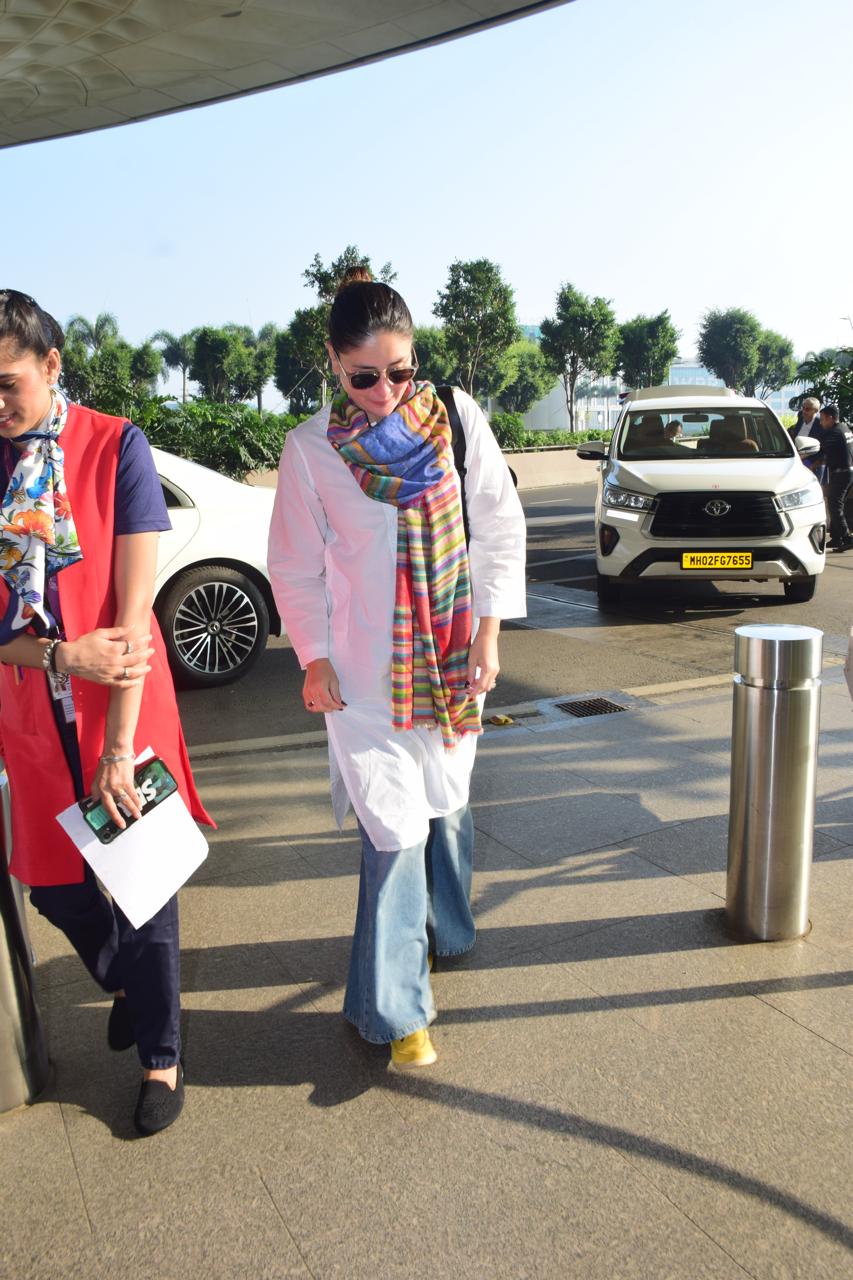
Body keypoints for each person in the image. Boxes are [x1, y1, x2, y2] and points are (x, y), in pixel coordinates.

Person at [268, 270, 526, 1070]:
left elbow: (496, 523)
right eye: (364, 377)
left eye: (400, 371)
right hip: (362, 677)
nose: (384, 392)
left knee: (445, 798)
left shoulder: (456, 420)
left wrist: (488, 633)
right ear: (333, 365)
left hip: (450, 659)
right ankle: (396, 1010)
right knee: (396, 825)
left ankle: (449, 927)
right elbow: (295, 568)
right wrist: (311, 657)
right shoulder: (312, 451)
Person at [0, 289, 212, 1135]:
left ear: (52, 367)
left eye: (7, 383)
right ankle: (123, 981)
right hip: (31, 707)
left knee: (143, 891)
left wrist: (118, 751)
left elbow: (130, 618)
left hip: (122, 706)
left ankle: (162, 1057)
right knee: (51, 884)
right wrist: (57, 654)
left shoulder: (115, 446)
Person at [815, 403, 853, 552]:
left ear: (830, 418)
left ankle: (846, 537)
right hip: (847, 471)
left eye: (823, 419)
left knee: (834, 505)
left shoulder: (833, 434)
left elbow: (821, 455)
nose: (821, 422)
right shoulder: (844, 428)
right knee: (838, 504)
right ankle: (837, 538)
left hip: (841, 473)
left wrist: (809, 465)